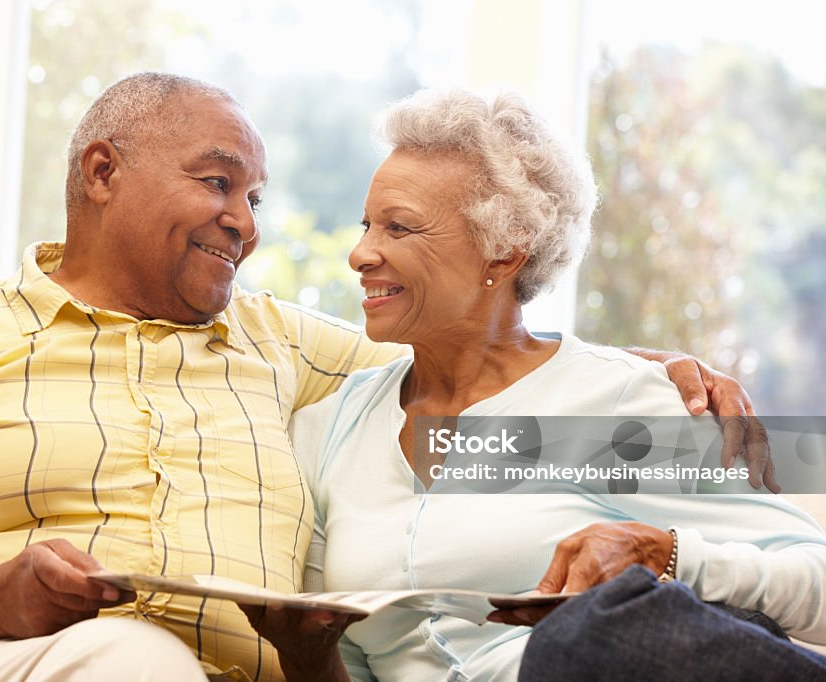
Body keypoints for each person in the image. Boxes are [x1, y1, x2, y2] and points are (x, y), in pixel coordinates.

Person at [0, 73, 776, 682]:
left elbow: (477, 348)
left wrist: (647, 366)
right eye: (218, 181)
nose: (247, 221)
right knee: (132, 660)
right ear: (101, 172)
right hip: (10, 657)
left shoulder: (288, 349)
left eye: (256, 196)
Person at [244, 88, 826, 681]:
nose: (360, 253)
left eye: (401, 228)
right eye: (367, 224)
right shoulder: (331, 426)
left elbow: (817, 579)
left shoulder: (612, 403)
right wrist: (305, 654)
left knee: (584, 638)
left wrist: (668, 554)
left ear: (502, 254)